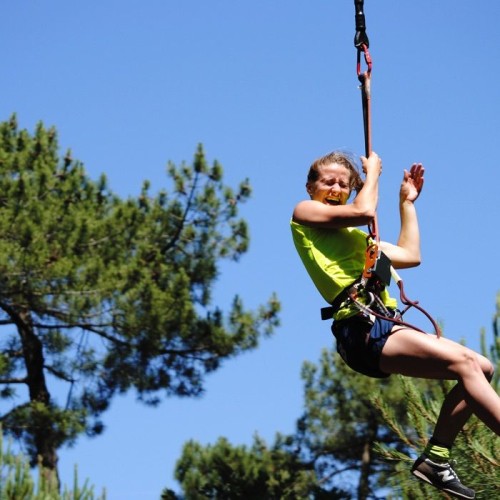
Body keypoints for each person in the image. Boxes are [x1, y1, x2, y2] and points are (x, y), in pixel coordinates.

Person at [291, 150, 500, 499]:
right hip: (360, 326)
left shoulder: (361, 243)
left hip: (379, 323)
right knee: (466, 364)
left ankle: (436, 457)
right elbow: (363, 211)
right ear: (311, 187)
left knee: (482, 367)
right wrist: (372, 175)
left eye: (343, 184)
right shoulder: (304, 213)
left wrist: (407, 203)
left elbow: (411, 255)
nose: (336, 188)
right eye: (328, 182)